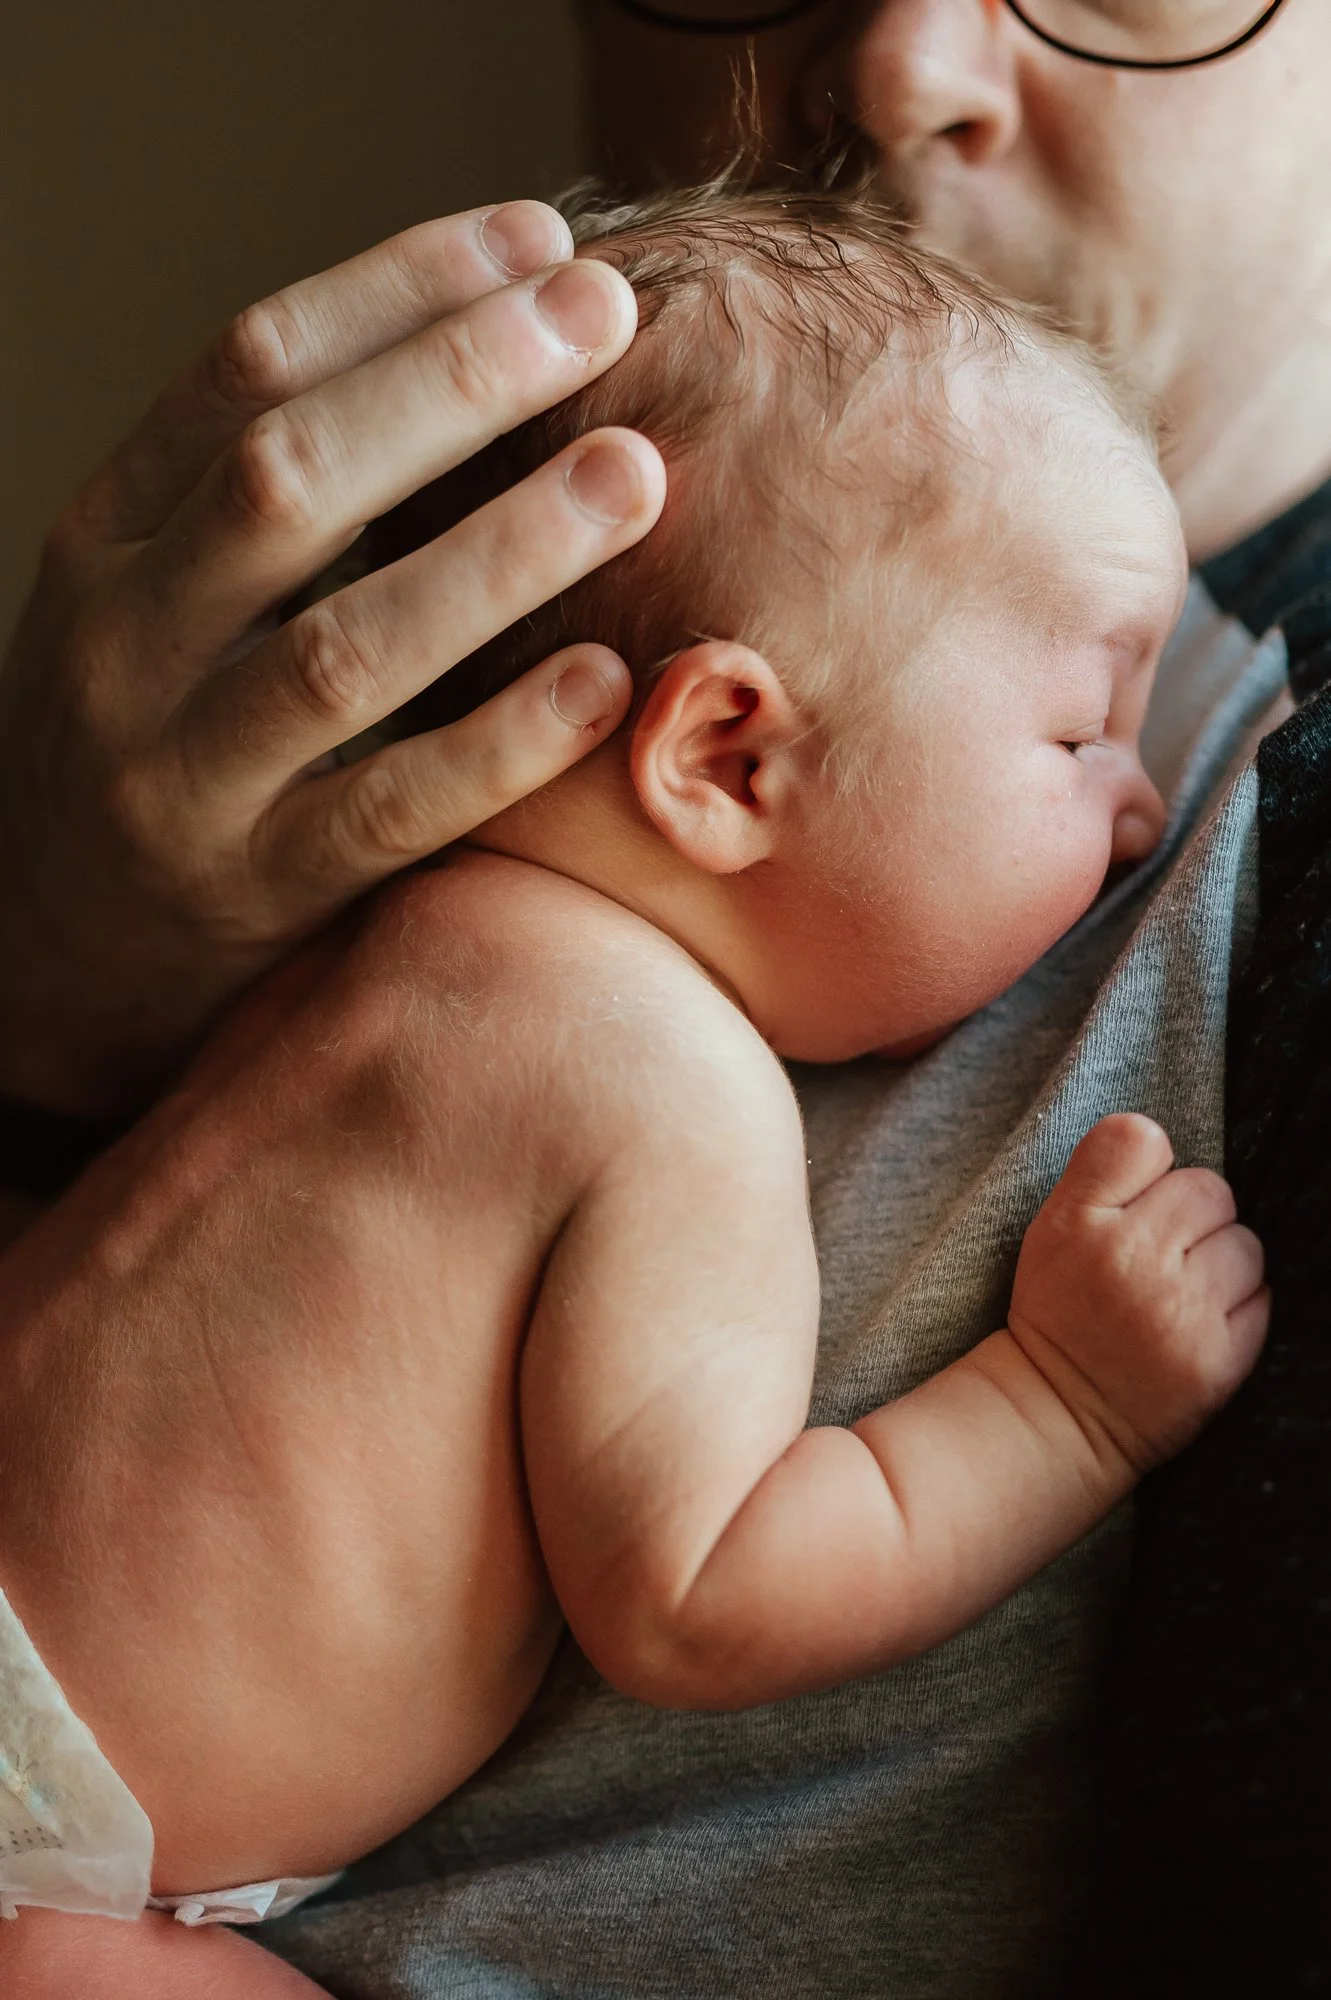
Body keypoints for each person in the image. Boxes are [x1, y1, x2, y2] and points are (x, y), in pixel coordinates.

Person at [0, 0, 1324, 1993]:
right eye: (1072, 736)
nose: (893, 63)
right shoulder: (650, 1076)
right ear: (724, 757)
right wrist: (1056, 1394)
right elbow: (700, 1586)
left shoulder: (417, 918)